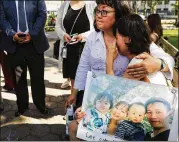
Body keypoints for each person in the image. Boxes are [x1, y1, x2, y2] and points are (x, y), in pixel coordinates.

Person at [67, 0, 174, 140]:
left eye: (104, 12)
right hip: (101, 97)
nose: (98, 15)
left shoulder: (136, 54)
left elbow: (115, 89)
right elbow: (83, 65)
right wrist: (76, 93)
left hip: (119, 106)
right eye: (97, 11)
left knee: (76, 128)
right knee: (76, 126)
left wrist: (158, 63)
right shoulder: (94, 37)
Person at [1, 0, 49, 117]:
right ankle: (22, 107)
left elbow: (42, 14)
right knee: (18, 79)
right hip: (14, 45)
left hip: (34, 43)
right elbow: (2, 18)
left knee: (37, 78)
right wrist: (12, 34)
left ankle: (40, 105)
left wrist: (32, 34)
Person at [107, 13, 169, 86]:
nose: (115, 41)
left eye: (116, 37)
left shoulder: (138, 65)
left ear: (128, 39)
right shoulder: (145, 57)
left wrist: (109, 60)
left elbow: (112, 93)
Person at [55, 0, 96, 92]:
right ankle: (74, 98)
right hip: (69, 47)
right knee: (73, 74)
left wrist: (83, 36)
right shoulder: (64, 6)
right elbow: (58, 26)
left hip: (86, 47)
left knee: (87, 75)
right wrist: (63, 35)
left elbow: (97, 27)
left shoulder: (91, 5)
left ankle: (84, 100)